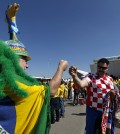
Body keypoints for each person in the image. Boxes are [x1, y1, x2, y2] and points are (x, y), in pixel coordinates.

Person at [0, 3, 68, 134]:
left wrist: (11, 21)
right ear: (13, 59)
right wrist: (61, 68)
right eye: (25, 60)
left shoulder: (3, 79)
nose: (27, 65)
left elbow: (10, 51)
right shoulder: (17, 86)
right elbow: (50, 91)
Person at [69, 58, 120, 134]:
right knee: (91, 130)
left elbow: (115, 93)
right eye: (99, 67)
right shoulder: (90, 77)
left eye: (104, 68)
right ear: (97, 67)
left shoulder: (110, 79)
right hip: (93, 111)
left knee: (108, 131)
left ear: (107, 68)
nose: (101, 69)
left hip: (107, 111)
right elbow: (81, 84)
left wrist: (113, 94)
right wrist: (74, 76)